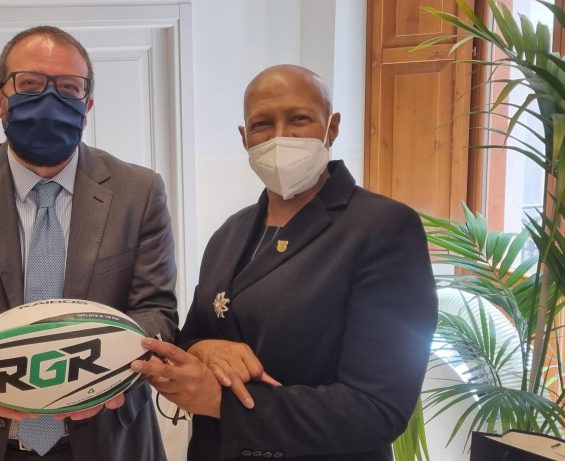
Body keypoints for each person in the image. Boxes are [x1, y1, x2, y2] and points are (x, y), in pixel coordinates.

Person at [0, 26, 177, 461]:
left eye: (68, 88)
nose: (49, 100)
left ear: (87, 106)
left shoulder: (138, 191)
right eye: (29, 84)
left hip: (106, 438)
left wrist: (105, 379)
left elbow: (157, 311)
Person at [132, 64, 438, 460]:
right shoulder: (229, 233)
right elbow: (193, 335)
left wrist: (222, 403)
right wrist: (205, 348)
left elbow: (377, 408)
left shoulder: (383, 228)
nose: (280, 136)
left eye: (299, 119)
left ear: (331, 127)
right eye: (262, 124)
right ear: (244, 137)